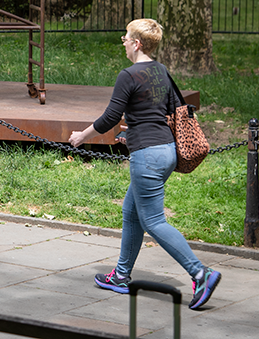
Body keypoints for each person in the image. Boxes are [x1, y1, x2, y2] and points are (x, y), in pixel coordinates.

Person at [68, 18, 222, 310]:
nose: (123, 42)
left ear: (137, 44)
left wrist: (81, 136)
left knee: (153, 221)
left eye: (126, 38)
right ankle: (121, 276)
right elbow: (158, 114)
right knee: (131, 211)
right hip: (166, 151)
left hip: (148, 157)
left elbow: (110, 118)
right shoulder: (160, 71)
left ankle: (201, 272)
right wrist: (133, 134)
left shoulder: (128, 75)